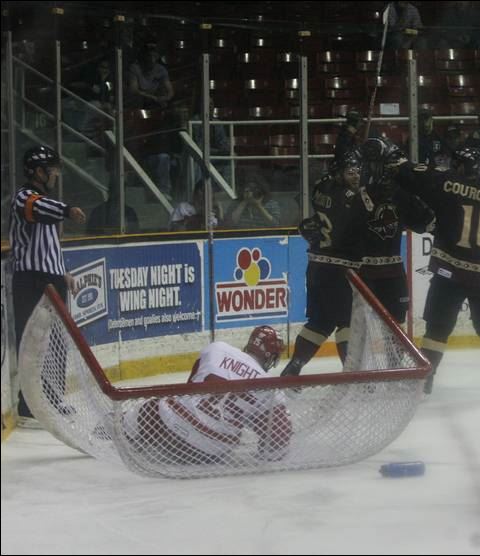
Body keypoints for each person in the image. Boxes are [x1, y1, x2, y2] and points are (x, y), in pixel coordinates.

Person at [379, 144, 480, 395]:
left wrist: (399, 165)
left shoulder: (447, 184)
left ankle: (427, 379)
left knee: (438, 327)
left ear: (457, 165)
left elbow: (417, 181)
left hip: (451, 272)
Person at [123, 326, 292, 464]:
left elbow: (189, 387)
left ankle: (112, 433)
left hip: (170, 427)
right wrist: (264, 452)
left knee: (148, 409)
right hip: (211, 450)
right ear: (271, 357)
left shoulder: (217, 348)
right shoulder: (270, 388)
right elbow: (278, 440)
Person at [10, 145, 86, 427]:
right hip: (31, 278)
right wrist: (67, 209)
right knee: (32, 343)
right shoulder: (25, 198)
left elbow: (50, 245)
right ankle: (29, 405)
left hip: (51, 277)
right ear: (38, 172)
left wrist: (62, 271)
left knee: (55, 341)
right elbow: (37, 209)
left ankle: (52, 398)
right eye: (52, 170)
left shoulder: (46, 202)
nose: (55, 175)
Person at [281, 152, 371, 377]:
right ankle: (353, 373)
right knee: (347, 321)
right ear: (339, 173)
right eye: (351, 172)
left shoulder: (321, 187)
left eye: (358, 171)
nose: (356, 176)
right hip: (340, 270)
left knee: (320, 321)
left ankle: (294, 367)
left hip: (316, 266)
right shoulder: (353, 199)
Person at [359, 138, 436, 324]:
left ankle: (394, 356)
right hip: (363, 273)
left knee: (396, 323)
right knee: (357, 324)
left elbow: (426, 223)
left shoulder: (401, 194)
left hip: (392, 272)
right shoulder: (357, 195)